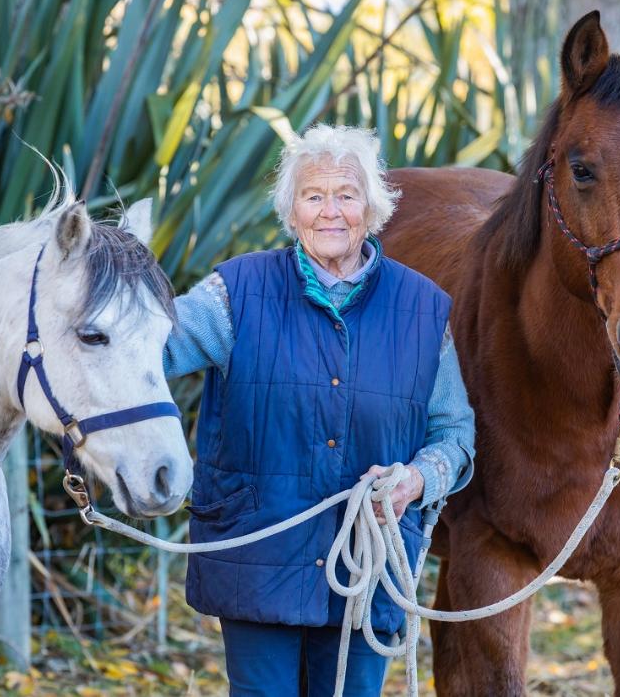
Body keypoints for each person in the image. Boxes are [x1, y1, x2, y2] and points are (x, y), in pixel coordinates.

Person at [164, 124, 475, 696]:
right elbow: (147, 353)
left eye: (346, 195)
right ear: (292, 210)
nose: (330, 212)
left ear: (371, 208)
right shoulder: (235, 294)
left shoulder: (424, 309)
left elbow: (454, 436)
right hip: (259, 561)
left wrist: (414, 480)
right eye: (313, 196)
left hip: (368, 568)